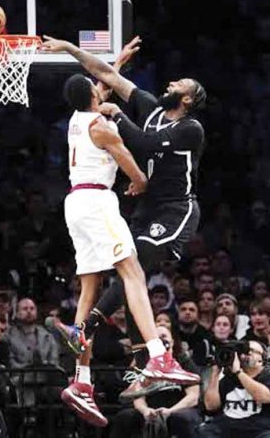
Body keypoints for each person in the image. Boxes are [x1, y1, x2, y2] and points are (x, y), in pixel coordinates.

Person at [42, 36, 206, 401]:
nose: (169, 85)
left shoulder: (191, 128)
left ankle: (89, 348)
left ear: (188, 98)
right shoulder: (142, 108)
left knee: (128, 270)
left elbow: (144, 145)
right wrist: (72, 50)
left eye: (177, 85)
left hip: (174, 209)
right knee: (131, 273)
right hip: (127, 203)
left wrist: (116, 112)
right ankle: (143, 360)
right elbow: (101, 75)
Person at [109, 325, 201, 438]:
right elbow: (138, 397)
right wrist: (145, 411)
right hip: (150, 409)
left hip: (179, 408)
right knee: (125, 416)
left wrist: (170, 411)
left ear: (172, 341)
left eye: (164, 336)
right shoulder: (144, 364)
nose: (161, 340)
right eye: (157, 338)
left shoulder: (183, 361)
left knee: (182, 418)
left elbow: (193, 397)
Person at [202, 340, 270, 437]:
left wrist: (239, 372)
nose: (247, 354)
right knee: (204, 432)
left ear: (262, 359)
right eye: (244, 351)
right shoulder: (228, 380)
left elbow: (264, 397)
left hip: (261, 429)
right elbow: (211, 406)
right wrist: (215, 373)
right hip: (228, 428)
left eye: (251, 350)